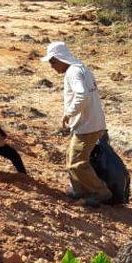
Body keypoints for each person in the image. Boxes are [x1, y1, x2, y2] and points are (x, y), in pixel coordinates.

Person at [40, 41, 111, 206]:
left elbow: (82, 95)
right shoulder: (82, 69)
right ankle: (79, 191)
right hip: (91, 123)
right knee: (71, 158)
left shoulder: (72, 72)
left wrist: (68, 113)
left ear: (60, 58)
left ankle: (101, 192)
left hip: (87, 125)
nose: (52, 66)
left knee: (76, 163)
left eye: (52, 62)